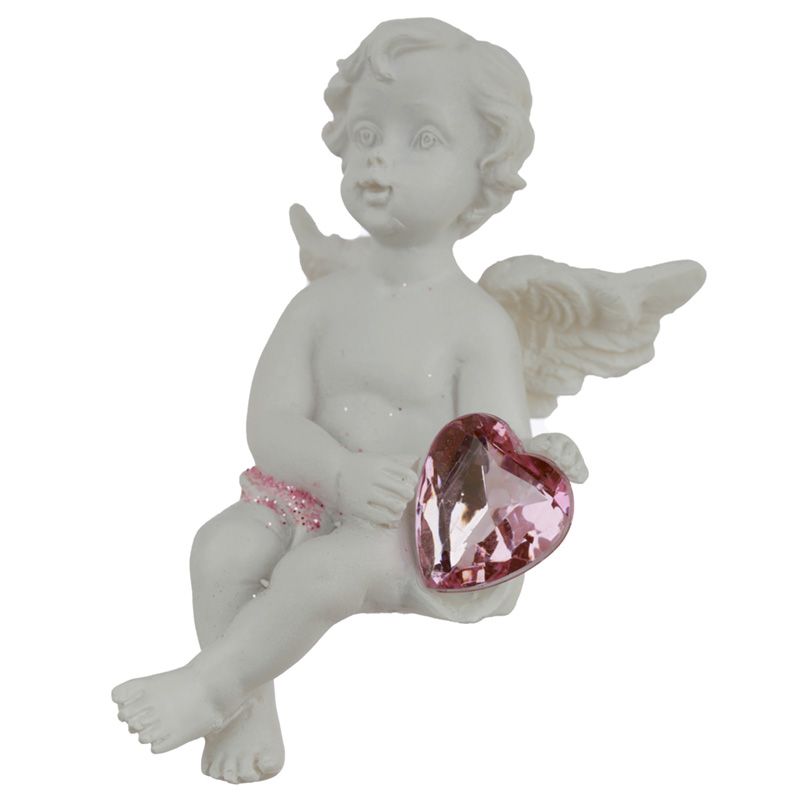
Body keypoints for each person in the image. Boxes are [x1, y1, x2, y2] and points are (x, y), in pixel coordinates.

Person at [112, 18, 586, 784]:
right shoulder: (322, 304)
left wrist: (541, 458)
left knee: (321, 571)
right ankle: (248, 711)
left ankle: (211, 687)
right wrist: (337, 474)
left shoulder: (477, 323)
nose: (378, 155)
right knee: (220, 550)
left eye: (422, 138)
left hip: (424, 529)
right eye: (366, 133)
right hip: (309, 493)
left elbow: (493, 448)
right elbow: (270, 421)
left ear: (485, 172)